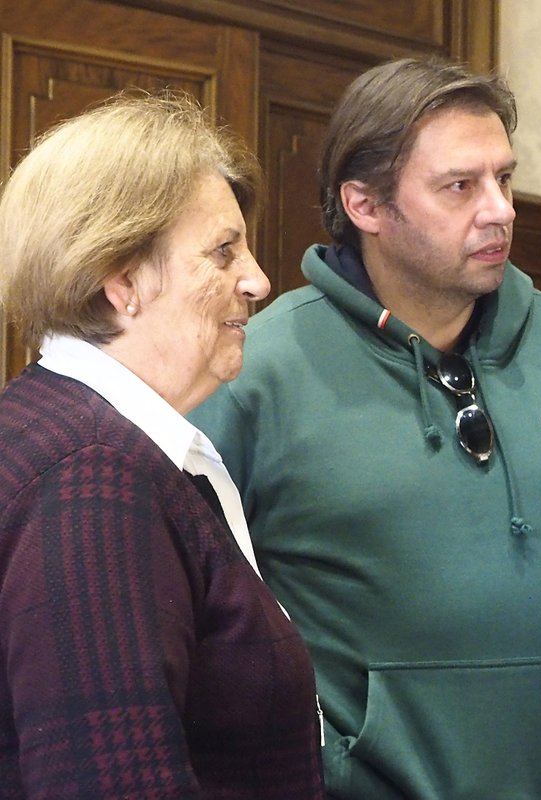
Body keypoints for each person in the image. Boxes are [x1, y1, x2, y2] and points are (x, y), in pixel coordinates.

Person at [189, 57, 541, 799]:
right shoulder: (252, 371)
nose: (500, 208)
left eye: (504, 178)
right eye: (460, 186)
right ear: (366, 206)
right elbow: (190, 617)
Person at [0, 93, 325, 797]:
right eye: (222, 251)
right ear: (122, 281)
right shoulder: (92, 476)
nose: (259, 280)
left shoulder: (68, 432)